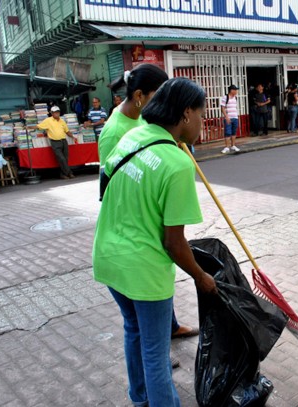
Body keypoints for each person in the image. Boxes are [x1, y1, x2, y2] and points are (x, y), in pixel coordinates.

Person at [93, 77, 218, 407]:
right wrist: (200, 277)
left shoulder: (131, 136)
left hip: (109, 257)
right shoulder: (176, 164)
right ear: (186, 113)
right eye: (203, 115)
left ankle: (140, 399)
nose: (203, 123)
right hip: (143, 271)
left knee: (134, 330)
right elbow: (174, 245)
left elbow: (108, 183)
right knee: (156, 352)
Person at [97, 64, 196, 341]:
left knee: (143, 328)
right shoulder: (116, 132)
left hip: (143, 245)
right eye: (159, 94)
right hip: (134, 244)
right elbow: (111, 189)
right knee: (150, 343)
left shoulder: (144, 123)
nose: (164, 102)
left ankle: (167, 331)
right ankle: (158, 355)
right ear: (140, 95)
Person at [36, 106, 75, 180]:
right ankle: (69, 172)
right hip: (55, 142)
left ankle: (63, 174)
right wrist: (28, 127)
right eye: (55, 112)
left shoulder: (62, 121)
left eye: (58, 112)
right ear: (52, 113)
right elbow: (39, 126)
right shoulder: (48, 120)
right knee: (61, 158)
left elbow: (67, 131)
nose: (57, 114)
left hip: (63, 141)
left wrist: (72, 136)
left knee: (65, 158)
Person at [221, 84, 241, 153]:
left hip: (235, 117)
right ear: (231, 90)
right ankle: (227, 147)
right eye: (235, 90)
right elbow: (222, 108)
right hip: (228, 118)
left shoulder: (235, 97)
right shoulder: (225, 97)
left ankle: (233, 145)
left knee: (234, 132)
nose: (236, 91)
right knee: (227, 132)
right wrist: (226, 117)